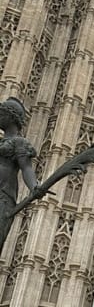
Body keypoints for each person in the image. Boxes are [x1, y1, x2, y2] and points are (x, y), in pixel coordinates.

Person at [0, 97, 39, 248]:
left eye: (2, 113)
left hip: (3, 195)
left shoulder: (19, 142)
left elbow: (26, 168)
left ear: (11, 117)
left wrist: (34, 187)